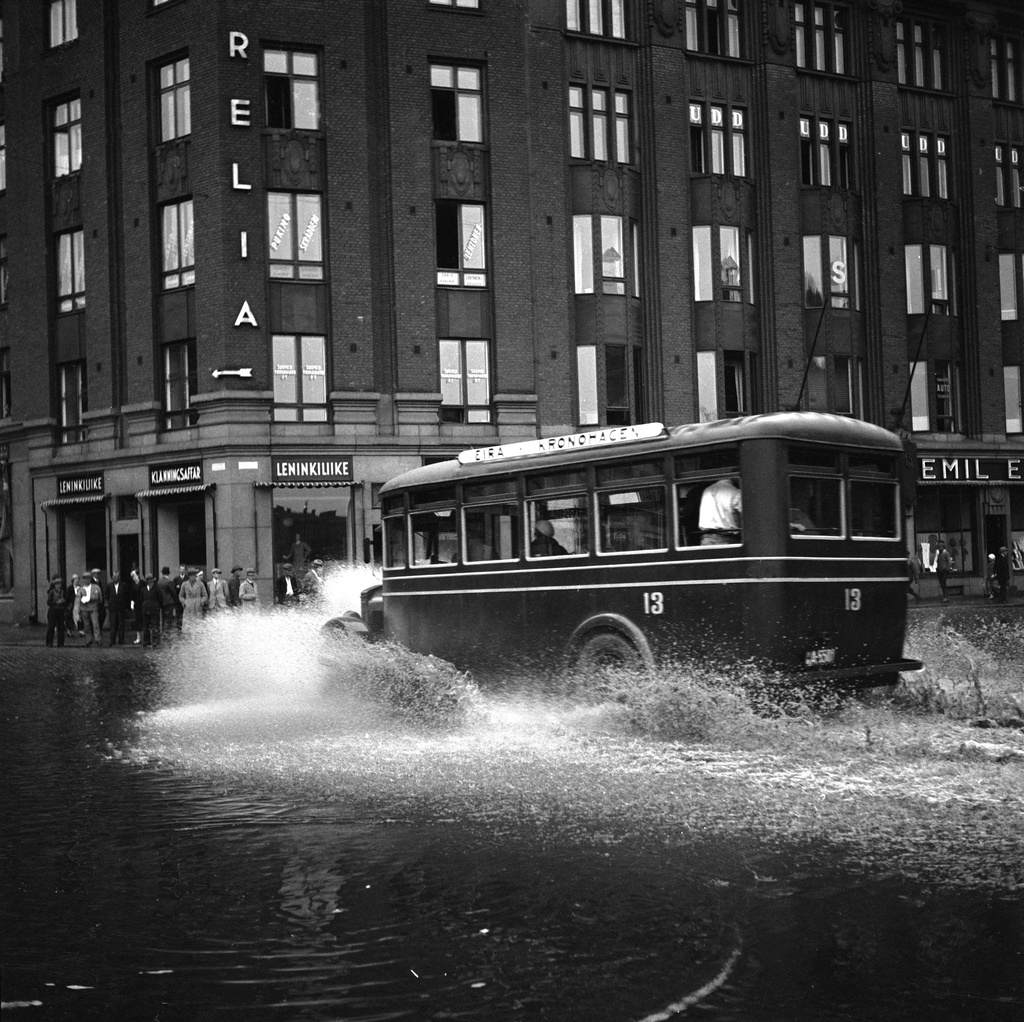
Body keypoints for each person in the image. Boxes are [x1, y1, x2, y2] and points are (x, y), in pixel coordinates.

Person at [699, 477, 742, 544]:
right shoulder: (736, 492)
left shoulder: (707, 490)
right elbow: (744, 516)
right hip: (727, 538)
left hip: (706, 538)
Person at [178, 568, 208, 632]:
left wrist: (201, 602)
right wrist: (184, 602)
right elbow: (180, 596)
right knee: (188, 626)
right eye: (192, 575)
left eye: (194, 575)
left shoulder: (200, 584)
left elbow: (205, 595)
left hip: (197, 606)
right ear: (189, 576)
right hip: (188, 606)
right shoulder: (184, 584)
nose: (193, 577)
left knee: (197, 625)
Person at [78, 568, 102, 647]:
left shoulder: (95, 587)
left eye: (88, 579)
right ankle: (88, 640)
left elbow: (98, 597)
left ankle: (97, 639)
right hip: (84, 609)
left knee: (95, 624)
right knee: (87, 625)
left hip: (93, 608)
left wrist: (89, 598)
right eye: (85, 579)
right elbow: (78, 599)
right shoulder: (81, 589)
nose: (86, 580)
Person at [139, 573, 162, 646]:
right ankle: (147, 640)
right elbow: (141, 599)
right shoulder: (143, 590)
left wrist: (157, 606)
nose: (151, 582)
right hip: (145, 610)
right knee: (146, 626)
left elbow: (160, 599)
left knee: (155, 625)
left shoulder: (156, 589)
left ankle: (155, 641)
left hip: (154, 610)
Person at [105, 571, 128, 646]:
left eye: (117, 577)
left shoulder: (123, 585)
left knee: (121, 624)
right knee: (113, 624)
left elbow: (126, 595)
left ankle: (121, 640)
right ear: (112, 578)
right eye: (114, 577)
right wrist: (110, 602)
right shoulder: (109, 585)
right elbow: (107, 596)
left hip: (121, 608)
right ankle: (112, 640)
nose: (115, 578)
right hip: (113, 608)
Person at [45, 575, 67, 647]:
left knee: (61, 627)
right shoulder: (52, 592)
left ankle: (60, 643)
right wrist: (56, 603)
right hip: (53, 610)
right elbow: (49, 602)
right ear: (54, 585)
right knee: (51, 627)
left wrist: (63, 602)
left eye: (59, 584)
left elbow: (66, 601)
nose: (58, 586)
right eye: (57, 584)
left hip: (60, 610)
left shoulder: (63, 592)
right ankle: (49, 642)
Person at [156, 566, 178, 636]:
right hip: (169, 602)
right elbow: (173, 593)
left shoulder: (159, 582)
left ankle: (163, 632)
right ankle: (168, 633)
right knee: (169, 619)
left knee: (162, 618)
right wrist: (176, 601)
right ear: (168, 573)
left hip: (162, 603)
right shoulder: (169, 582)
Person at [66, 573, 84, 639]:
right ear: (73, 580)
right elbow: (67, 597)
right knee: (70, 618)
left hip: (79, 604)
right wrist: (68, 605)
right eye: (76, 579)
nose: (77, 580)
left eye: (78, 579)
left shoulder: (80, 588)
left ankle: (80, 630)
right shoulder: (70, 588)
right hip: (72, 605)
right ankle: (69, 630)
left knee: (79, 617)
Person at [128, 569, 144, 643]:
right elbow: (132, 595)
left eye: (134, 575)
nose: (133, 577)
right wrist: (132, 602)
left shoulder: (143, 583)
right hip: (137, 605)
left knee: (144, 621)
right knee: (138, 621)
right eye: (132, 576)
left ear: (137, 575)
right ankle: (139, 638)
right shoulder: (132, 585)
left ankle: (145, 637)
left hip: (143, 604)